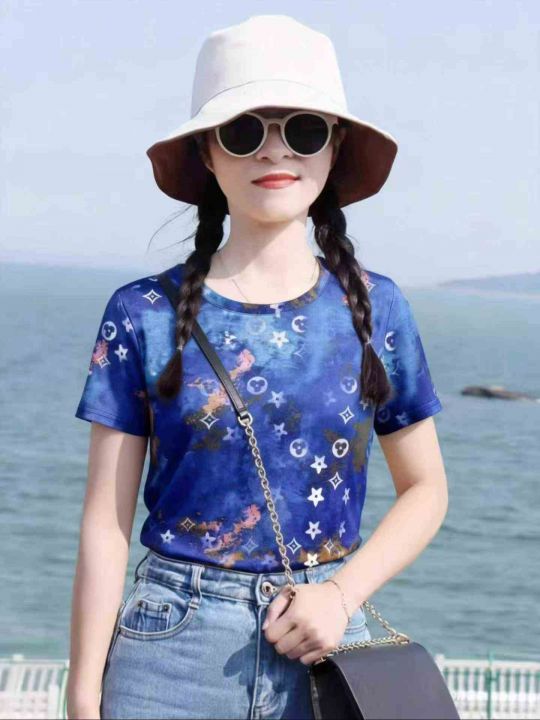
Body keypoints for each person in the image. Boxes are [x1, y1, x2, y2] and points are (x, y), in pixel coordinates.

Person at [67, 14, 448, 720]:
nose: (275, 149)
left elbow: (426, 489)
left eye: (303, 129)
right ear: (207, 152)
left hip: (325, 642)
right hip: (169, 655)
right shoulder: (142, 314)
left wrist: (340, 596)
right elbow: (105, 522)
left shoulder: (377, 308)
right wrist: (83, 693)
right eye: (244, 131)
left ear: (335, 147)